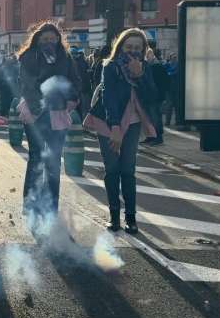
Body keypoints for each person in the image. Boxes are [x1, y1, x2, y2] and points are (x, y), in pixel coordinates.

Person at [84, 28, 157, 234]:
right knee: (112, 169)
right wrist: (114, 126)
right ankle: (114, 216)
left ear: (143, 50)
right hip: (108, 121)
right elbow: (109, 97)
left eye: (137, 48)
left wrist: (140, 75)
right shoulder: (110, 66)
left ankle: (131, 218)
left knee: (128, 170)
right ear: (120, 48)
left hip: (133, 124)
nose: (133, 51)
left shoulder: (146, 68)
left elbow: (152, 97)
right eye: (128, 47)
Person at [19, 21, 81, 220]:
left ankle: (51, 207)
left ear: (58, 39)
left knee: (54, 162)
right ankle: (30, 204)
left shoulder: (65, 57)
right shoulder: (29, 57)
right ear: (37, 40)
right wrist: (37, 106)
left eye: (52, 39)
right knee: (36, 157)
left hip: (58, 112)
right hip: (35, 112)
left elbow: (75, 80)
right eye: (44, 39)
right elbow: (26, 84)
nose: (48, 42)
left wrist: (71, 97)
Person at [143, 47, 169, 146]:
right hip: (148, 97)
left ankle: (158, 137)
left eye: (148, 55)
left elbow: (164, 82)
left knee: (155, 117)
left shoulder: (157, 66)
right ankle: (150, 136)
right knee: (149, 118)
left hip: (156, 97)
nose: (146, 58)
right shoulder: (147, 67)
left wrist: (161, 95)